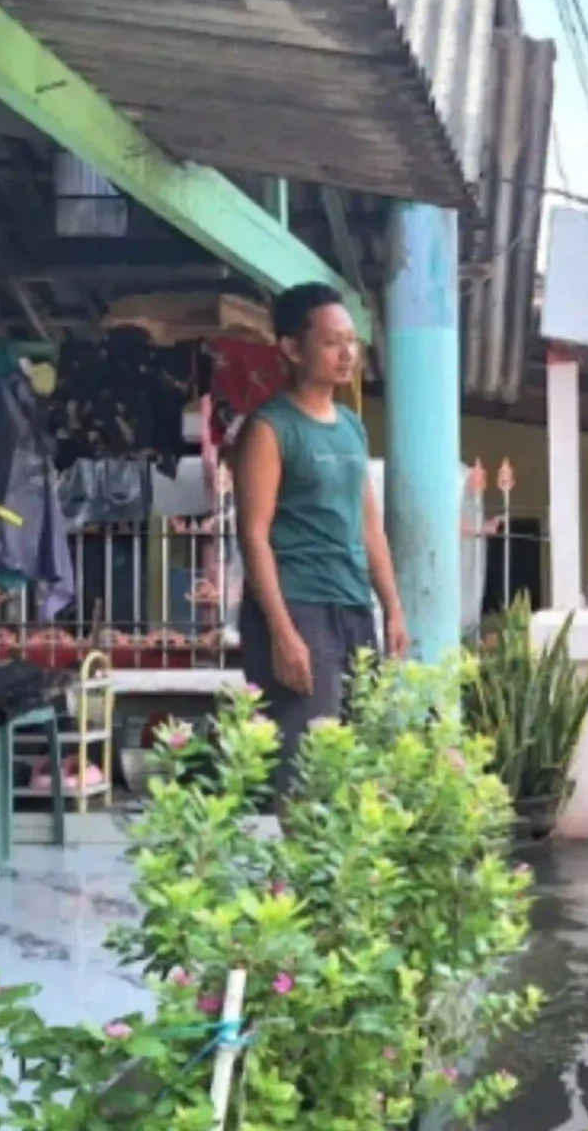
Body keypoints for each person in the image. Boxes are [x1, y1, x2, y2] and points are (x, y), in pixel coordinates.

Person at [235, 284, 409, 798]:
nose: (347, 354)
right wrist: (283, 632)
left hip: (351, 606)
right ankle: (301, 880)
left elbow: (369, 526)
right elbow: (253, 534)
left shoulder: (352, 427)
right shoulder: (270, 428)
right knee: (306, 767)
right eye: (332, 342)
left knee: (354, 761)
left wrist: (392, 608)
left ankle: (339, 877)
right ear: (292, 348)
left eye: (351, 341)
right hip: (299, 606)